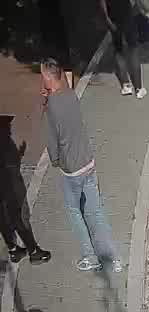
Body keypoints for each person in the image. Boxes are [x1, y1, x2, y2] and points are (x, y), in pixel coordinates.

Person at [39, 64, 119, 274]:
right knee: (96, 210)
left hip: (71, 169)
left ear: (48, 79)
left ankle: (90, 256)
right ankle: (111, 257)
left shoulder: (51, 107)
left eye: (42, 76)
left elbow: (52, 140)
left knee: (76, 211)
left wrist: (56, 161)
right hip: (88, 161)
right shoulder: (71, 96)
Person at [0, 116, 49, 265]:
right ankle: (34, 251)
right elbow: (10, 163)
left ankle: (14, 250)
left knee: (2, 217)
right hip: (9, 184)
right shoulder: (4, 142)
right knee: (20, 215)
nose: (8, 128)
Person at [98, 0, 148, 99]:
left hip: (114, 20)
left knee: (119, 51)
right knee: (133, 51)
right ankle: (139, 88)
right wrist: (141, 7)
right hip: (128, 18)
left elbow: (102, 2)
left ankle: (126, 85)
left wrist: (107, 20)